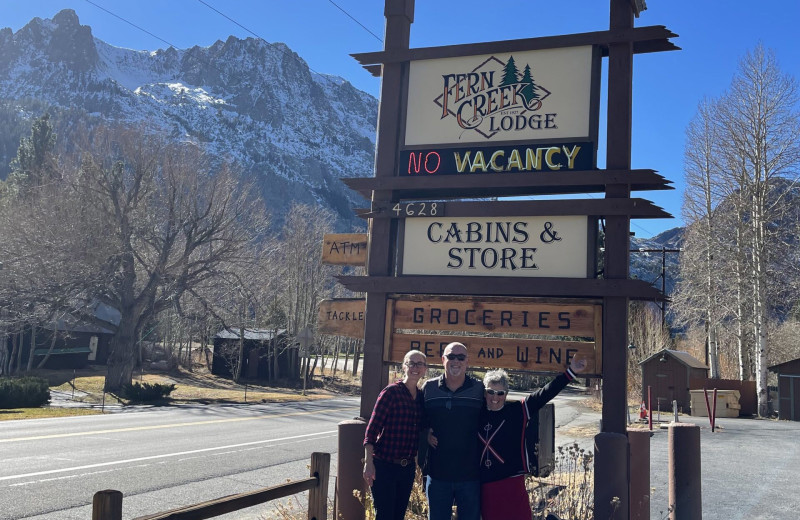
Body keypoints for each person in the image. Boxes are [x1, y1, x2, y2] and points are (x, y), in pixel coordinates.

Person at [476, 358, 586, 520]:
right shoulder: (475, 413)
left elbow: (545, 393)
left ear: (506, 394)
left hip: (513, 482)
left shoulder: (518, 411)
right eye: (491, 392)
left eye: (500, 393)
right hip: (487, 485)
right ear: (485, 393)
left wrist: (571, 372)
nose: (495, 397)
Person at [421, 341, 484, 520]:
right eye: (451, 356)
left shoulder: (478, 389)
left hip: (470, 475)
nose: (456, 361)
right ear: (443, 359)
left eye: (461, 357)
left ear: (467, 362)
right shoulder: (429, 388)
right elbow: (417, 420)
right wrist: (425, 434)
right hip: (438, 475)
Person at [363, 349, 428, 520]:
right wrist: (368, 463)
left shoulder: (421, 398)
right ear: (404, 367)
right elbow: (371, 431)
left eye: (419, 364)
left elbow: (422, 428)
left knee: (398, 516)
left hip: (407, 469)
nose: (415, 367)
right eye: (411, 363)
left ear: (425, 369)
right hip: (384, 466)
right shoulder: (390, 393)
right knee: (385, 515)